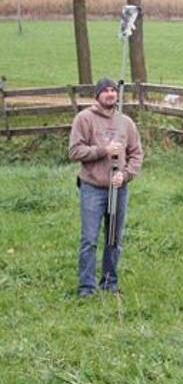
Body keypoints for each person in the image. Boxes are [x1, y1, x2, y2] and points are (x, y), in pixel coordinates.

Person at [68, 78, 144, 296]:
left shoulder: (126, 123)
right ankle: (86, 288)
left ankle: (109, 283)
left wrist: (126, 174)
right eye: (105, 91)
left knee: (113, 238)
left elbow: (136, 154)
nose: (110, 94)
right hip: (93, 187)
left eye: (113, 90)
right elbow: (74, 151)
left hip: (118, 189)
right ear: (97, 95)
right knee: (89, 239)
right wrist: (103, 150)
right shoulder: (84, 119)